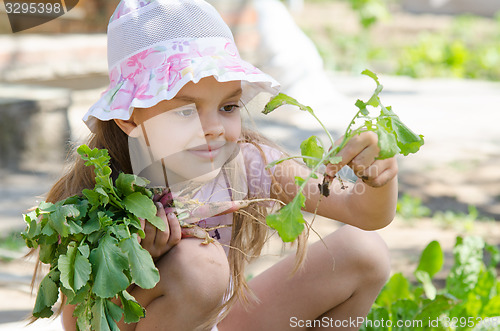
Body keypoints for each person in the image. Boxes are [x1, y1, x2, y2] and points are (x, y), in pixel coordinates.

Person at [40, 0, 397, 330]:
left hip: (219, 322)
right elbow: (79, 323)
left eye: (228, 107)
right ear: (130, 119)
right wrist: (131, 266)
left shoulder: (249, 164)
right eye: (185, 110)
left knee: (364, 252)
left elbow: (361, 211)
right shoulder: (98, 199)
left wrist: (377, 178)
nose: (213, 128)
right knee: (201, 268)